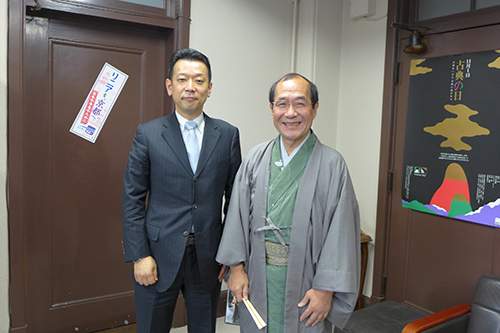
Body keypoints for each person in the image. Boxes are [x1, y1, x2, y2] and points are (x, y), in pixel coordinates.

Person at [216, 73, 360, 333]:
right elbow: (236, 215)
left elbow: (342, 233)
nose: (290, 113)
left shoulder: (332, 164)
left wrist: (326, 289)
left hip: (308, 280)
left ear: (315, 108)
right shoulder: (255, 158)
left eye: (300, 103)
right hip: (258, 276)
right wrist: (236, 269)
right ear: (272, 109)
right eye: (282, 104)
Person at [122, 48, 242, 333]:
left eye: (199, 80)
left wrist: (231, 254)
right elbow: (132, 199)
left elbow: (236, 201)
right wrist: (140, 256)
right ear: (169, 86)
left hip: (208, 258)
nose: (191, 87)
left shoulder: (227, 135)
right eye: (182, 79)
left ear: (209, 88)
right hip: (157, 256)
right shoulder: (148, 134)